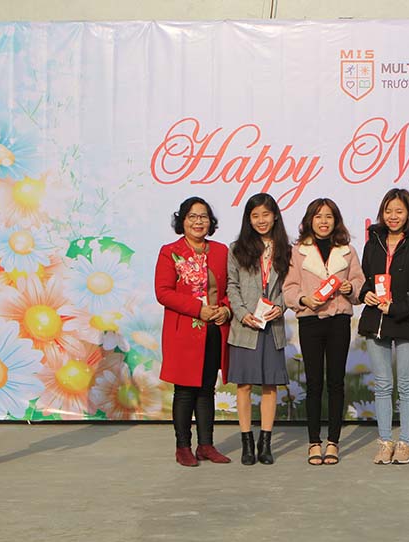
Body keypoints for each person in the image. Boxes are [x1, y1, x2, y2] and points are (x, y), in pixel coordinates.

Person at [283, 198, 364, 465]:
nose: (323, 221)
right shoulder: (298, 251)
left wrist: (350, 288)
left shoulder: (347, 251)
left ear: (336, 220)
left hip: (339, 320)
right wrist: (304, 299)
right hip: (310, 320)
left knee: (336, 382)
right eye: (318, 216)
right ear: (310, 220)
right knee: (314, 382)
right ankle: (314, 442)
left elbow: (359, 283)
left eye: (328, 216)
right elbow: (289, 288)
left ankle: (333, 442)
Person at [155, 197, 232, 467]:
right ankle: (183, 447)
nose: (198, 221)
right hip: (185, 331)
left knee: (207, 389)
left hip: (214, 330)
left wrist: (226, 309)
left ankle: (206, 445)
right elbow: (163, 292)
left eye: (204, 217)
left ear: (211, 222)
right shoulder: (170, 252)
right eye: (192, 216)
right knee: (185, 390)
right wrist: (198, 310)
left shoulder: (221, 251)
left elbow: (231, 288)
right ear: (182, 221)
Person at [358, 188, 409, 465]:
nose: (393, 216)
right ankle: (385, 441)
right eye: (388, 211)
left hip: (407, 321)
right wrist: (365, 293)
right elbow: (364, 278)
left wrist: (397, 308)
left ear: (408, 213)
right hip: (375, 321)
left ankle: (405, 443)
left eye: (399, 211)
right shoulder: (373, 241)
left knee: (407, 385)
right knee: (382, 385)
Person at [227, 192, 291, 466]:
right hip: (246, 326)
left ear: (275, 216)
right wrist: (242, 314)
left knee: (269, 385)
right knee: (244, 385)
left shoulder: (286, 250)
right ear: (248, 219)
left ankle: (265, 443)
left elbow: (291, 287)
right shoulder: (236, 249)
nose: (261, 220)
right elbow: (232, 285)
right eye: (255, 216)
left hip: (272, 327)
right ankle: (247, 442)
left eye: (266, 214)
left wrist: (281, 306)